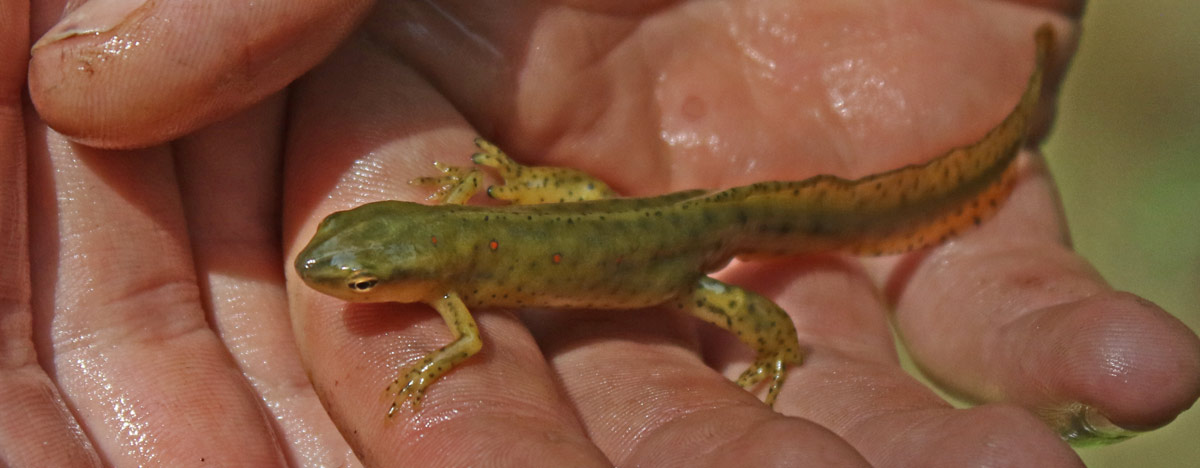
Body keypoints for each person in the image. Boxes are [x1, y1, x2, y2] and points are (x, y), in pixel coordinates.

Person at [3, 0, 1197, 466]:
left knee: (732, 301)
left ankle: (777, 337)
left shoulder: (456, 297)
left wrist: (422, 356)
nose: (335, 277)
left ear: (420, 252)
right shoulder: (451, 254)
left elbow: (463, 346)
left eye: (361, 262)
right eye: (349, 263)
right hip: (608, 219)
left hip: (672, 247)